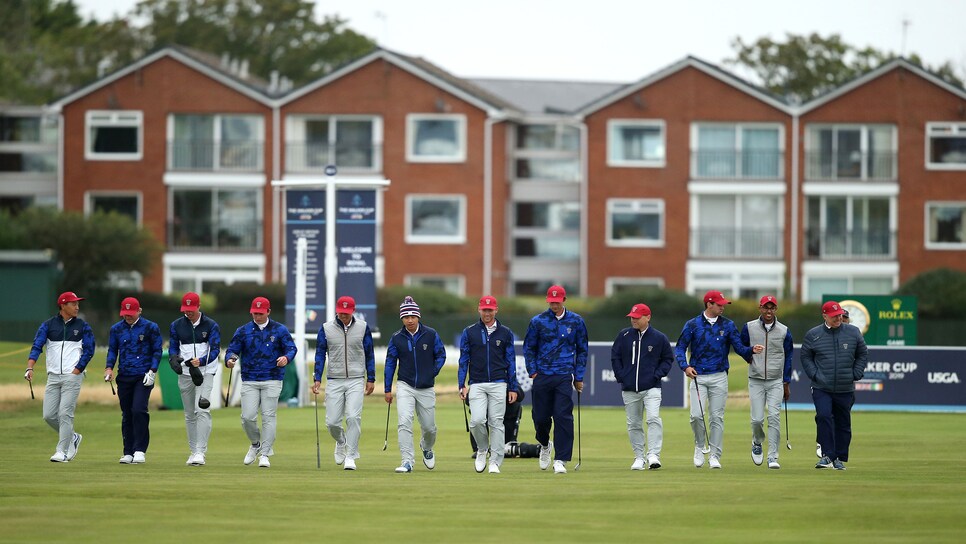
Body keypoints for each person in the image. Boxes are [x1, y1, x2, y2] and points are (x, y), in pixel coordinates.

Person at [676, 290, 760, 470]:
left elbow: (739, 347)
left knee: (717, 418)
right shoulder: (692, 324)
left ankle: (714, 455)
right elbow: (680, 348)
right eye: (719, 304)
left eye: (723, 305)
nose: (723, 307)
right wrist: (685, 366)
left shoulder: (728, 325)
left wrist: (751, 350)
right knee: (696, 416)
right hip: (698, 376)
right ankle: (699, 446)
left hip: (719, 376)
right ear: (709, 304)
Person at [225, 296, 297, 468]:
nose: (257, 316)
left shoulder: (280, 330)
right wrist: (230, 359)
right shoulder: (243, 331)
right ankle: (256, 444)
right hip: (249, 379)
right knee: (247, 417)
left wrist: (286, 358)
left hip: (272, 378)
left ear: (268, 312)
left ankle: (265, 454)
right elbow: (232, 350)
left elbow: (291, 348)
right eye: (254, 313)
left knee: (268, 416)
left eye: (260, 313)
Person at [523, 285, 588, 475]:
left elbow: (582, 349)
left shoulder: (576, 321)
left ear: (564, 300)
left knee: (563, 416)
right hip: (542, 375)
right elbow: (529, 349)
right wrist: (533, 371)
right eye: (551, 302)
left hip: (563, 375)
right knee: (540, 418)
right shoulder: (538, 321)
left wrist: (579, 376)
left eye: (557, 301)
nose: (554, 305)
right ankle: (544, 444)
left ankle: (561, 460)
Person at [25, 292, 95, 463]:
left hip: (73, 376)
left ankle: (61, 451)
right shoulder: (48, 325)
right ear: (63, 305)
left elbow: (89, 350)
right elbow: (37, 346)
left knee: (65, 413)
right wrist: (30, 366)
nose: (77, 307)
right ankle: (73, 437)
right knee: (48, 415)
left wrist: (77, 370)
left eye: (78, 304)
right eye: (73, 304)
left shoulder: (83, 326)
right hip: (53, 376)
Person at [800, 301, 868, 471]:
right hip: (821, 386)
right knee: (823, 417)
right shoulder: (813, 334)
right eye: (834, 316)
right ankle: (827, 455)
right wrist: (815, 374)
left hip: (845, 387)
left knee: (843, 423)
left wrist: (856, 373)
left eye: (839, 315)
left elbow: (862, 353)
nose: (838, 318)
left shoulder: (853, 332)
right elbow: (806, 356)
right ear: (825, 316)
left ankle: (839, 458)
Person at [311, 295, 375, 471]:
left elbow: (369, 353)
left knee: (353, 417)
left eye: (347, 313)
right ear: (336, 311)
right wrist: (317, 377)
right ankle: (341, 441)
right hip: (334, 379)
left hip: (356, 378)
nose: (344, 316)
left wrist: (371, 378)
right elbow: (320, 353)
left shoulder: (363, 328)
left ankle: (351, 456)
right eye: (341, 313)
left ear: (353, 311)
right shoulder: (326, 328)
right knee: (332, 422)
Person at [459, 295, 520, 474]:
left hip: (499, 382)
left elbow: (511, 360)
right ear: (479, 310)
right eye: (484, 309)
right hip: (476, 383)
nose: (487, 313)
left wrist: (512, 387)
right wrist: (461, 384)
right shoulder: (469, 332)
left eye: (490, 310)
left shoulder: (505, 332)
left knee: (496, 423)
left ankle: (495, 461)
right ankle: (482, 449)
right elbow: (464, 359)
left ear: (496, 310)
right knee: (476, 421)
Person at [384, 296, 446, 473]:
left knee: (429, 428)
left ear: (418, 317)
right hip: (405, 385)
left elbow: (441, 355)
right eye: (406, 317)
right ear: (402, 318)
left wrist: (432, 372)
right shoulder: (396, 338)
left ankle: (426, 447)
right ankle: (407, 461)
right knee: (404, 422)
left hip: (426, 387)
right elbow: (390, 363)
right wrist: (388, 389)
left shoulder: (431, 334)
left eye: (413, 316)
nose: (409, 320)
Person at [610, 303, 674, 471]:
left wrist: (656, 374)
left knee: (653, 419)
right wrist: (621, 376)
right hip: (629, 388)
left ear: (648, 317)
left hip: (651, 387)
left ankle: (653, 455)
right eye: (632, 317)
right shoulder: (623, 335)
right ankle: (639, 457)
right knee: (634, 424)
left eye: (637, 317)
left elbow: (667, 359)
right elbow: (615, 356)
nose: (634, 320)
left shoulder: (659, 338)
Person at [105, 297, 163, 464]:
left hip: (144, 376)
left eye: (131, 313)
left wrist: (153, 371)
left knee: (138, 410)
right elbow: (112, 350)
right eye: (125, 314)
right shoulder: (116, 329)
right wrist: (109, 368)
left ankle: (139, 450)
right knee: (127, 413)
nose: (127, 317)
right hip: (124, 375)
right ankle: (128, 451)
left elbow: (157, 350)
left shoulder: (150, 327)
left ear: (139, 311)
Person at [739, 295, 793, 470]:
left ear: (775, 309)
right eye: (765, 307)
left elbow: (789, 356)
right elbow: (741, 347)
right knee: (756, 420)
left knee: (774, 417)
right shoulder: (749, 327)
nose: (768, 311)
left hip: (776, 380)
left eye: (772, 308)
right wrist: (750, 353)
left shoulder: (784, 331)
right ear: (760, 308)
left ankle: (773, 456)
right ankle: (757, 442)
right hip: (755, 379)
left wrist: (786, 381)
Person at [169, 292, 221, 466]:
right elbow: (173, 348)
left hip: (205, 372)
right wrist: (173, 359)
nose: (188, 313)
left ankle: (200, 452)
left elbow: (215, 350)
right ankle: (193, 451)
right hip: (185, 373)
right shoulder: (176, 325)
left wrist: (202, 360)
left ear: (198, 307)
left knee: (202, 410)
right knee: (189, 414)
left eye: (191, 309)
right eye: (186, 310)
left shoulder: (211, 325)